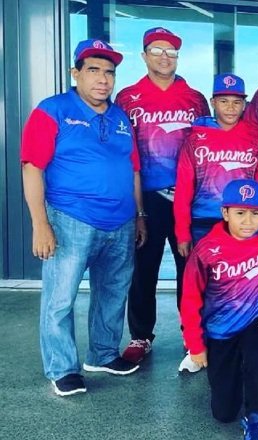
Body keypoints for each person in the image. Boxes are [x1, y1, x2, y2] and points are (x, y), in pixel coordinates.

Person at [21, 39, 145, 396]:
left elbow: (133, 170)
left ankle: (103, 354)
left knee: (113, 293)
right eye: (93, 70)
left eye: (109, 72)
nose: (102, 79)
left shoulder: (120, 117)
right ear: (76, 74)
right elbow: (32, 167)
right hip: (71, 219)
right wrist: (40, 223)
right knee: (61, 299)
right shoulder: (52, 110)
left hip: (120, 222)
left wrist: (139, 216)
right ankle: (62, 368)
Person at [116, 27, 210, 364]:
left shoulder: (195, 98)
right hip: (149, 198)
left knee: (191, 271)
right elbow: (125, 155)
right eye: (157, 50)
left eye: (171, 51)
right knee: (143, 270)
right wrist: (138, 210)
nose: (165, 56)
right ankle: (141, 335)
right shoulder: (128, 97)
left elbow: (207, 147)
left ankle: (193, 335)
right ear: (144, 56)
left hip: (189, 198)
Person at [181, 179, 258, 440]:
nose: (248, 221)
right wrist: (196, 345)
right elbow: (190, 299)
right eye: (240, 213)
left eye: (255, 213)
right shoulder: (206, 250)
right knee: (223, 413)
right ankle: (236, 376)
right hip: (220, 329)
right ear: (225, 213)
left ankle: (257, 418)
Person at [174, 73, 258, 251]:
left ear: (244, 105)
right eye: (224, 101)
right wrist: (182, 232)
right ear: (213, 103)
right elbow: (184, 187)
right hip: (202, 222)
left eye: (236, 102)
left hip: (244, 223)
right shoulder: (195, 139)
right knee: (200, 276)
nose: (230, 108)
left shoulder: (254, 141)